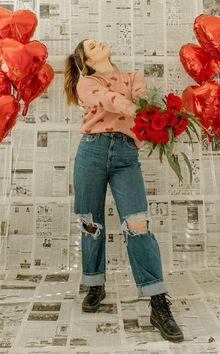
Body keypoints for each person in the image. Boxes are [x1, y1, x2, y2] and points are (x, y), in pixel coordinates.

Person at [63, 39, 184, 343]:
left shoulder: (134, 78)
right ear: (86, 60)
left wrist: (156, 118)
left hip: (126, 155)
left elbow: (145, 101)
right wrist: (137, 110)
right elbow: (107, 100)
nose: (98, 42)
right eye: (91, 45)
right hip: (91, 152)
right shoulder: (86, 82)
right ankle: (94, 284)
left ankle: (158, 303)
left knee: (138, 225)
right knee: (92, 224)